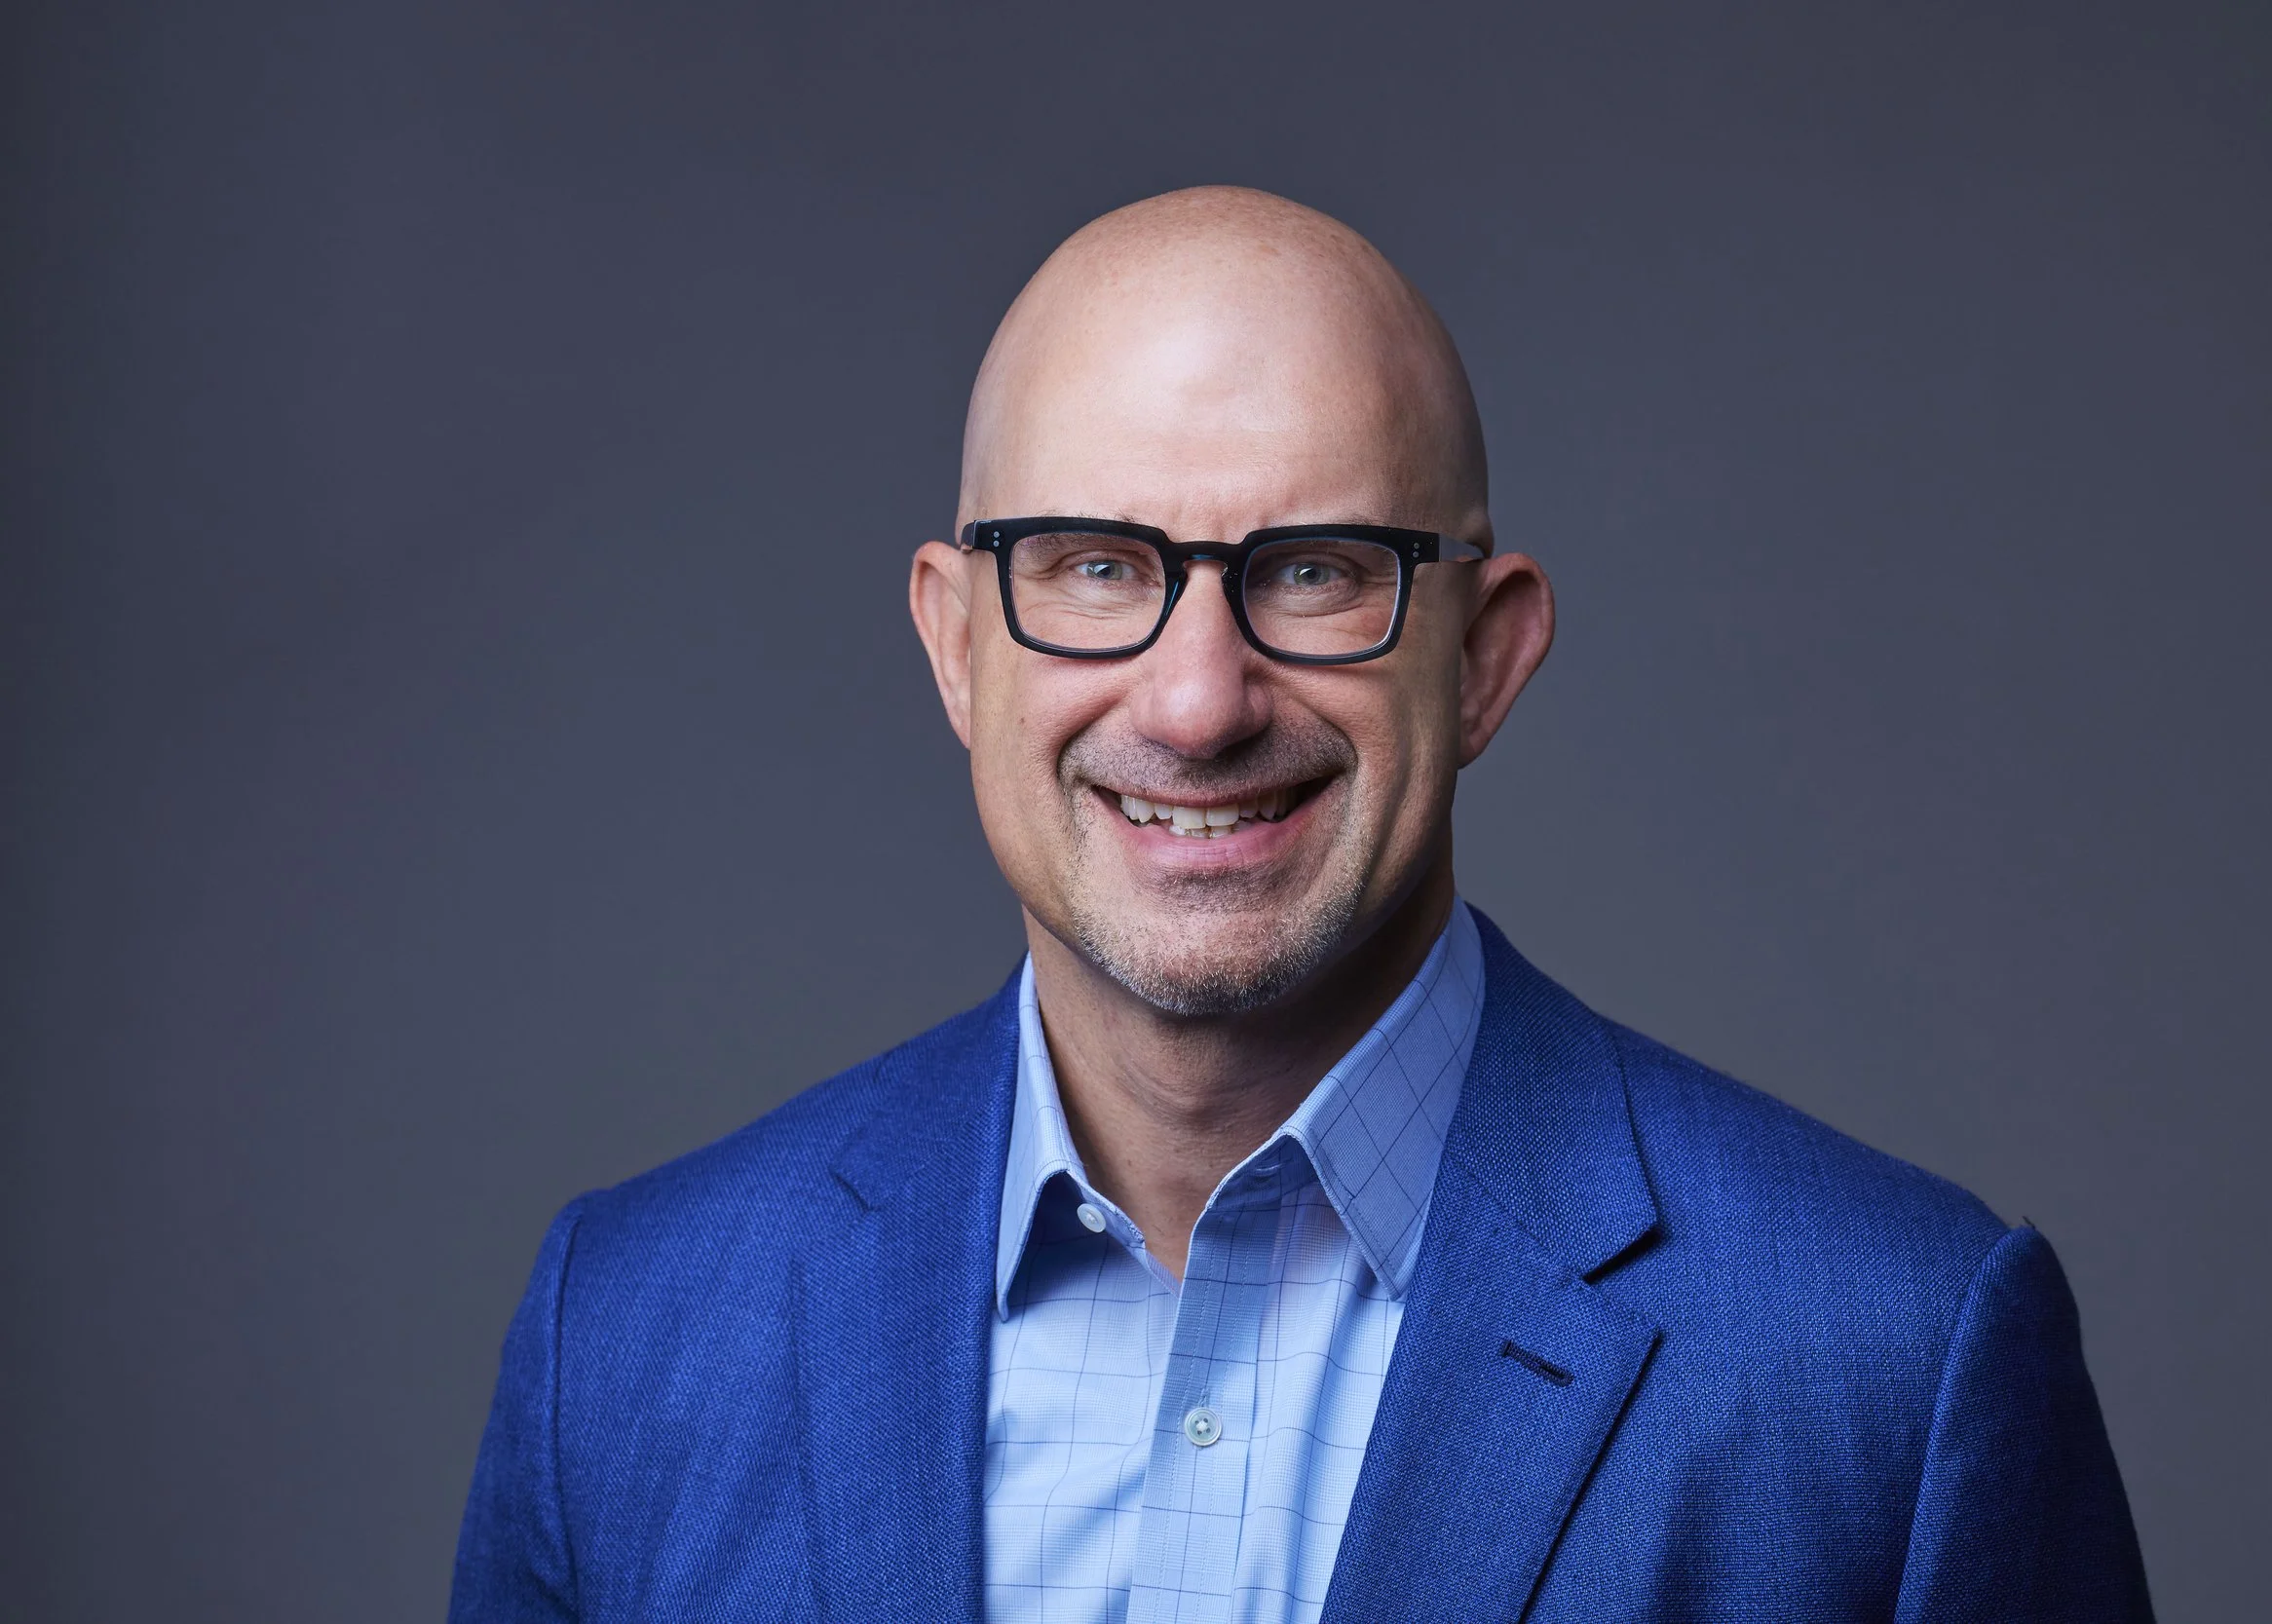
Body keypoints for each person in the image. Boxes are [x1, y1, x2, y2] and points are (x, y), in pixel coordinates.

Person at [450, 186, 2150, 1623]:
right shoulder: (628, 1336)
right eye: (1096, 565)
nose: (1197, 701)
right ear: (957, 643)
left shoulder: (1892, 1367)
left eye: (1318, 571)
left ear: (1485, 658)